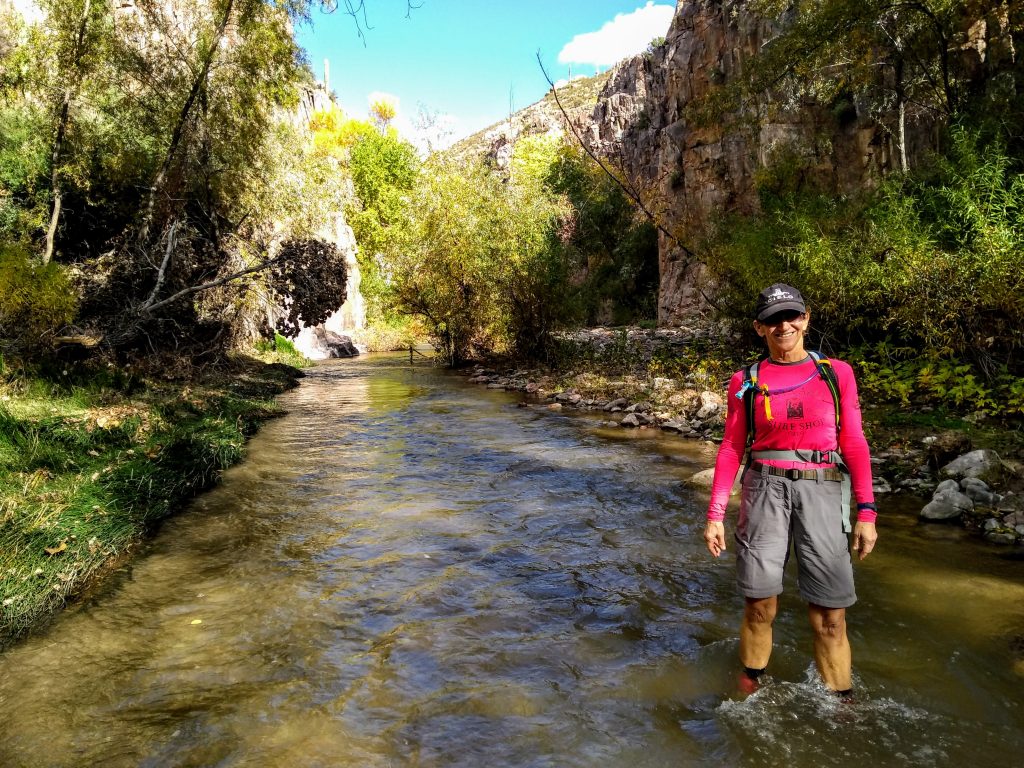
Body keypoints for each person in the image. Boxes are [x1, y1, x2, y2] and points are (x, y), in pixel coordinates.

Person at [703, 283, 878, 698]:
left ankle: (842, 705)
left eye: (792, 316)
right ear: (759, 328)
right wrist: (714, 514)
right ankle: (749, 688)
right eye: (772, 320)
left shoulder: (837, 374)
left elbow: (853, 442)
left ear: (806, 318)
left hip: (824, 489)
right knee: (759, 606)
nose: (784, 325)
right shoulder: (745, 381)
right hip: (763, 489)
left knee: (830, 616)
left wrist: (866, 513)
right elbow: (731, 447)